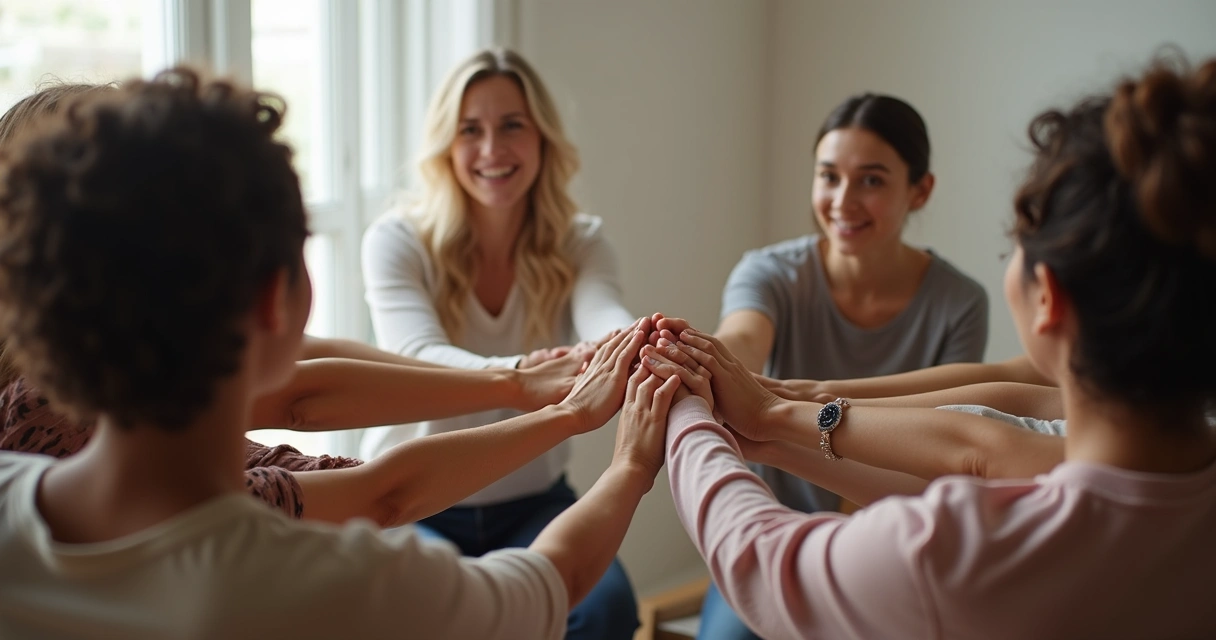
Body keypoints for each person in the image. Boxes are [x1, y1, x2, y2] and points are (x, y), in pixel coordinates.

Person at [0, 68, 673, 639]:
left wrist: (514, 387)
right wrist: (630, 461)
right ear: (276, 300)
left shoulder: (17, 481)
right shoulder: (334, 581)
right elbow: (544, 579)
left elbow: (325, 418)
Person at [653, 56, 1216, 639]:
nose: (844, 200)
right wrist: (781, 412)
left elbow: (762, 563)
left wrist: (691, 415)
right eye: (829, 175)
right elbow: (991, 422)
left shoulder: (952, 546)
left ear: (1047, 296)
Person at [0, 82, 589, 528]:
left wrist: (512, 385)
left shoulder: (103, 373)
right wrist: (565, 414)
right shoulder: (107, 441)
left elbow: (312, 377)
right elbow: (371, 479)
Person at [361, 47, 637, 638]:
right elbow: (417, 358)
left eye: (512, 125)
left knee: (606, 606)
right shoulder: (397, 240)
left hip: (533, 504)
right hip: (413, 502)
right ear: (447, 146)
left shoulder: (580, 241)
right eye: (471, 131)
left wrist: (636, 341)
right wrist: (522, 371)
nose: (492, 150)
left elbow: (604, 316)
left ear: (542, 138)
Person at [695, 92, 989, 638]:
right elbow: (742, 340)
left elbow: (941, 449)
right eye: (829, 177)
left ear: (920, 190)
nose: (843, 201)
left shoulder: (959, 302)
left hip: (893, 542)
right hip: (770, 535)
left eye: (872, 180)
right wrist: (705, 363)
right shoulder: (769, 273)